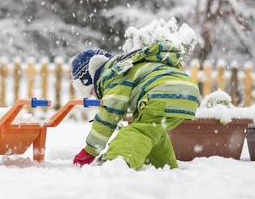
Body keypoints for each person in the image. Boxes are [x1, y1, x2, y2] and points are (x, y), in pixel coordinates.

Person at [70, 40, 200, 169]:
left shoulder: (113, 75)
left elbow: (109, 114)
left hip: (161, 91)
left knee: (137, 131)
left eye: (91, 91)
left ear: (93, 77)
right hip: (187, 90)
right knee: (151, 129)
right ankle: (162, 165)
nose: (94, 96)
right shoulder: (129, 66)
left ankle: (117, 163)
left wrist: (90, 150)